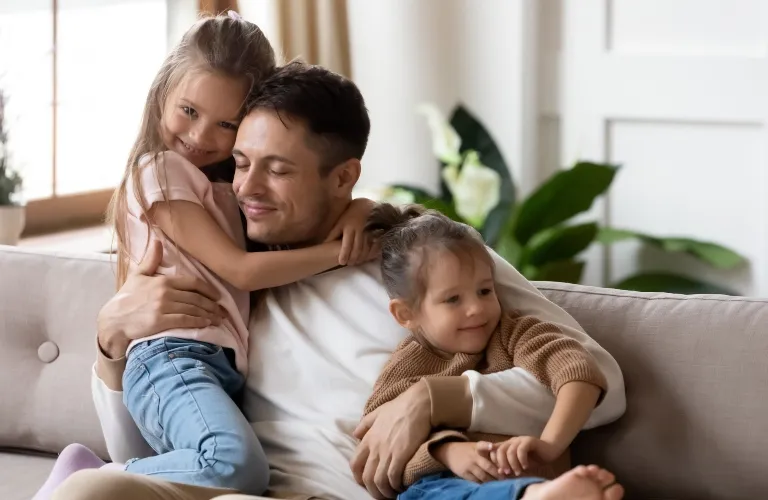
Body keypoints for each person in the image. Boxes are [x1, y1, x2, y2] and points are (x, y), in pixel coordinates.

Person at [52, 60, 627, 500]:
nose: (248, 189)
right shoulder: (225, 272)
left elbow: (601, 381)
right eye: (241, 164)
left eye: (278, 170)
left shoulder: (421, 254)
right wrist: (111, 351)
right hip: (236, 488)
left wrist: (433, 399)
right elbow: (146, 454)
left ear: (343, 177)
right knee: (91, 490)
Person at [362, 204, 621, 500]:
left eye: (484, 291)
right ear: (405, 313)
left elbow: (580, 373)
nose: (476, 309)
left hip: (534, 477)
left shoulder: (517, 333)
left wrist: (550, 444)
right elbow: (381, 444)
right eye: (453, 299)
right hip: (445, 486)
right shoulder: (406, 366)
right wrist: (448, 451)